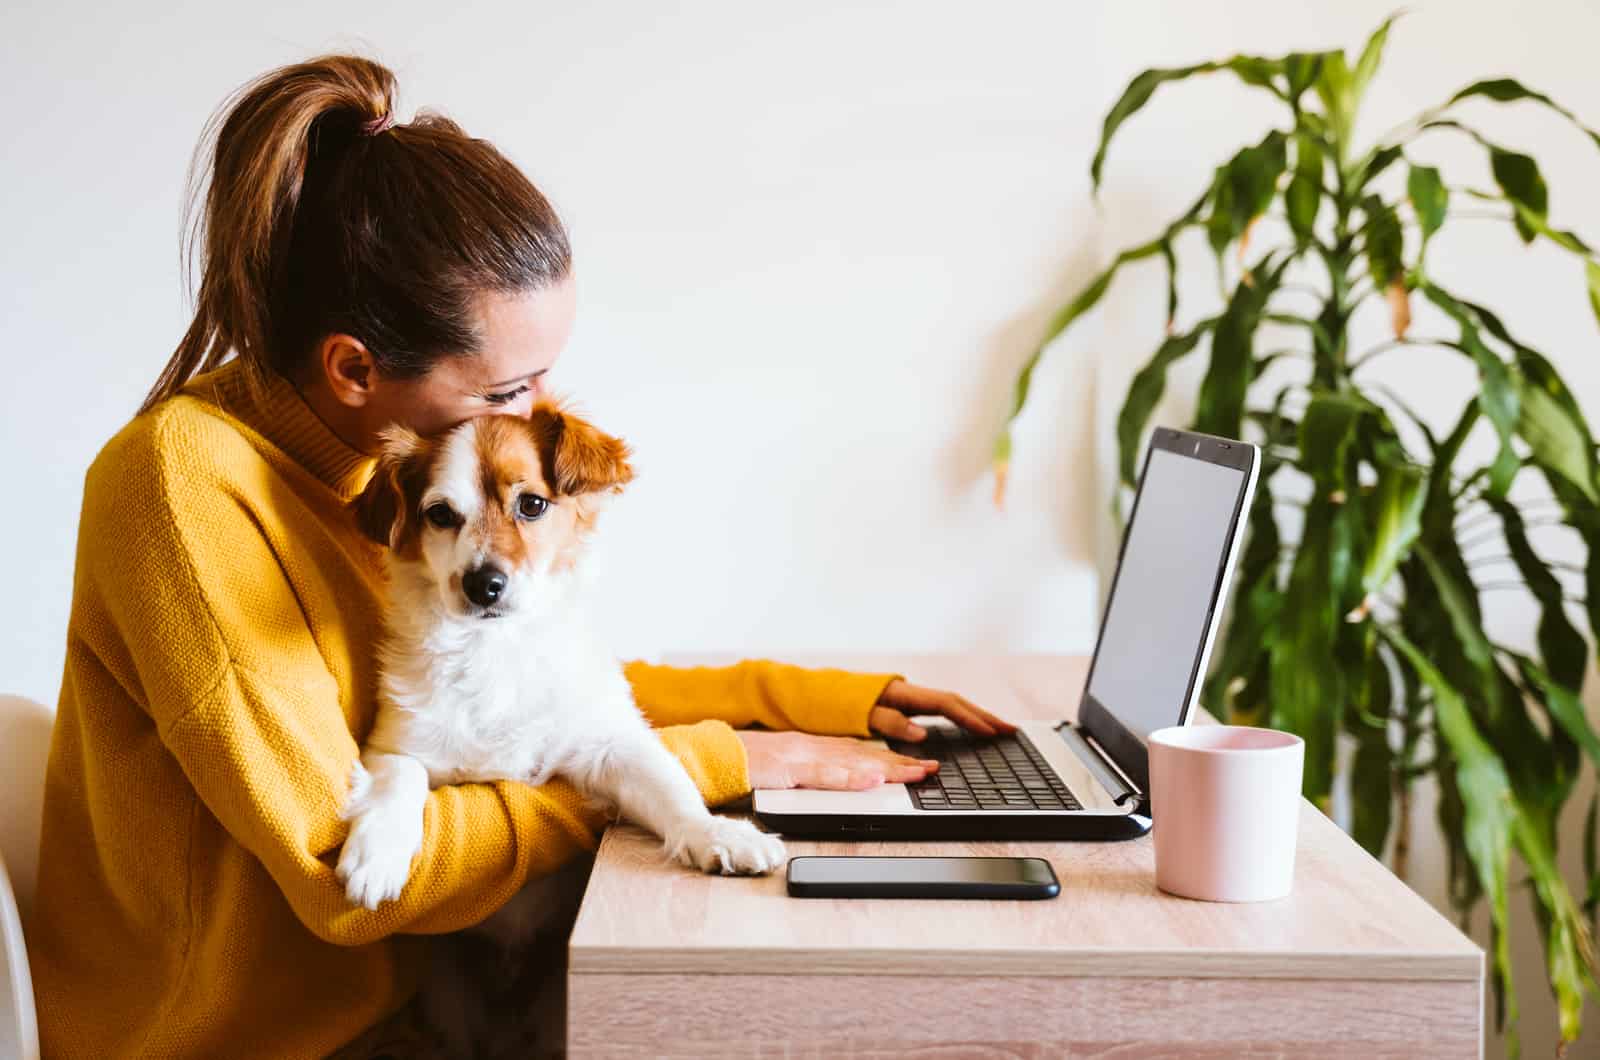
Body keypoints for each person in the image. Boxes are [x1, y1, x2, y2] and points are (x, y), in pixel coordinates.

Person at [25, 55, 1016, 1059]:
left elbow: (522, 697)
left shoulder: (379, 481)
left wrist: (803, 700)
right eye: (510, 388)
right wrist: (712, 763)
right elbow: (347, 876)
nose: (535, 419)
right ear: (355, 368)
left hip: (414, 1008)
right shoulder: (182, 485)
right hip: (261, 1043)